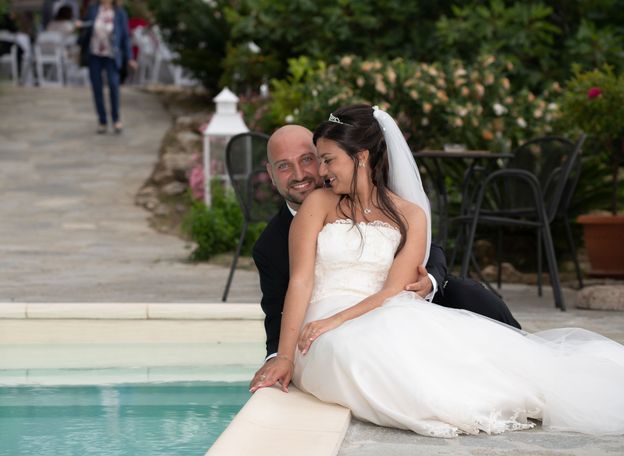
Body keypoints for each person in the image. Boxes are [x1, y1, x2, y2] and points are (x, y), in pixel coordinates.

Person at [250, 104, 624, 437]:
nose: (321, 171)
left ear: (361, 156)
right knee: (357, 353)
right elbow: (299, 281)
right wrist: (283, 356)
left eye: (327, 159)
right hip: (323, 319)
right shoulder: (319, 203)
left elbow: (393, 290)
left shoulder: (410, 214)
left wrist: (341, 319)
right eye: (320, 160)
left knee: (448, 340)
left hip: (383, 308)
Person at [253, 124, 520, 361]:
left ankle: (520, 345)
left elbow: (428, 246)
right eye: (284, 166)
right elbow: (277, 312)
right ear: (271, 173)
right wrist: (280, 358)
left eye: (309, 159)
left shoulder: (376, 196)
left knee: (471, 297)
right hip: (333, 320)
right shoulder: (269, 246)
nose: (300, 174)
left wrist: (430, 280)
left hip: (403, 299)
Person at [77, 0, 136, 134]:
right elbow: (87, 26)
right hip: (94, 54)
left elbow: (125, 37)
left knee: (114, 85)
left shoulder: (120, 13)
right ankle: (102, 121)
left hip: (112, 55)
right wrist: (81, 26)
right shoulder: (93, 9)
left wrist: (130, 57)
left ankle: (116, 119)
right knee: (97, 88)